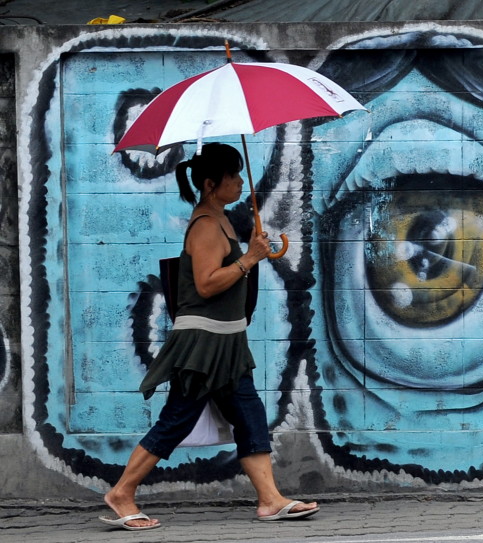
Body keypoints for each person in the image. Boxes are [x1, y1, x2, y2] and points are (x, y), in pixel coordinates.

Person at [100, 143, 319, 530]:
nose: (239, 183)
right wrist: (248, 259)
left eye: (238, 174)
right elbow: (205, 284)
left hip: (227, 343)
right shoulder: (204, 226)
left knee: (249, 416)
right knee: (177, 419)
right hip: (203, 345)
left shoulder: (221, 220)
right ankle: (121, 493)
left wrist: (251, 249)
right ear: (209, 183)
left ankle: (270, 500)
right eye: (232, 177)